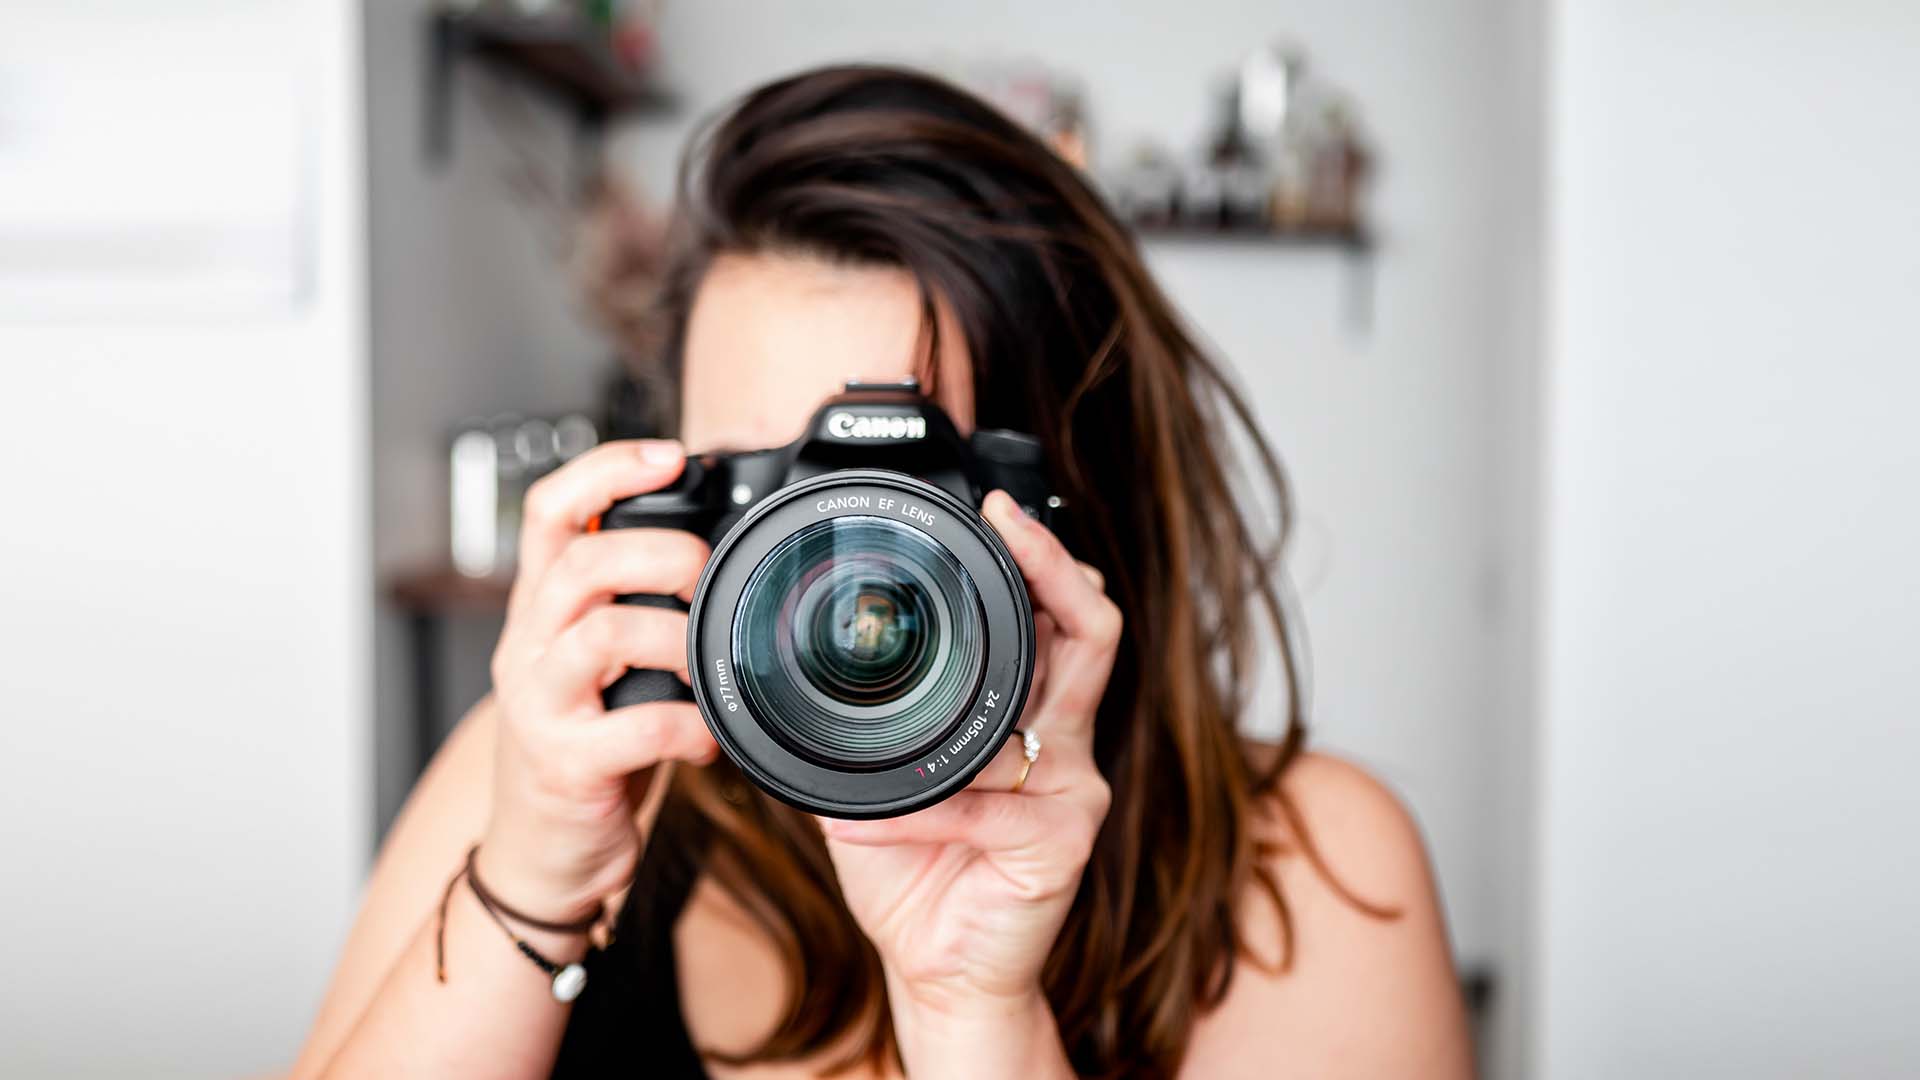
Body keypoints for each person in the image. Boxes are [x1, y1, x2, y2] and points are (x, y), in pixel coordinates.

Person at [292, 65, 1470, 1079]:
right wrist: (534, 889)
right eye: (770, 493)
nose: (829, 571)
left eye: (906, 502)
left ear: (1082, 496)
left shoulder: (1313, 874)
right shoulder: (547, 783)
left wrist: (976, 1019)